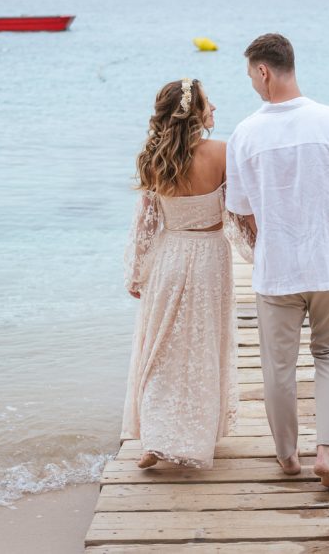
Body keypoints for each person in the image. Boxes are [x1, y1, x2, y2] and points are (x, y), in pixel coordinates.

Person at [226, 33, 329, 489]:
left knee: (279, 367)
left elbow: (243, 211)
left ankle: (288, 455)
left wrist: (271, 242)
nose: (252, 83)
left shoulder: (244, 133)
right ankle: (327, 451)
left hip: (277, 271)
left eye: (251, 75)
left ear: (263, 71)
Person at [121, 78, 254, 469]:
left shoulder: (153, 158)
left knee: (160, 347)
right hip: (210, 257)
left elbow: (145, 223)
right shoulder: (223, 152)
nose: (214, 108)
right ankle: (197, 435)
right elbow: (239, 213)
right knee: (202, 346)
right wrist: (260, 252)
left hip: (169, 257)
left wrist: (137, 271)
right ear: (194, 111)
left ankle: (153, 441)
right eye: (209, 102)